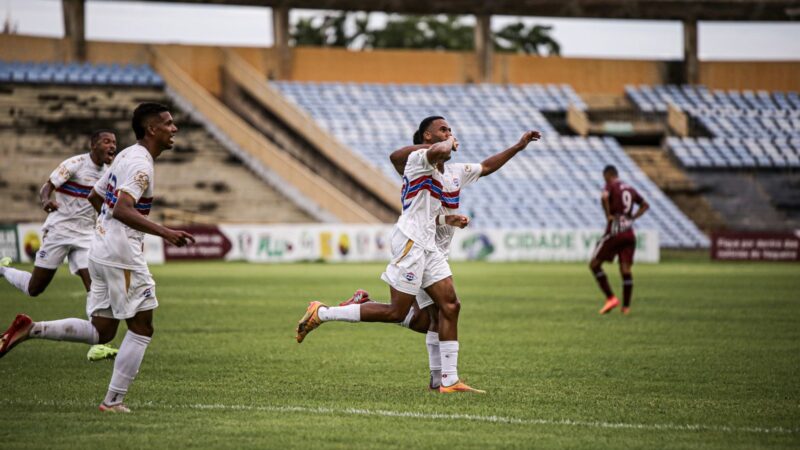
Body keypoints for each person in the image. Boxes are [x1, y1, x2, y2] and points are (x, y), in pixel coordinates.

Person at [0, 103, 195, 413]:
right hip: (121, 255)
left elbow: (95, 196)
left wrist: (106, 230)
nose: (175, 128)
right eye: (169, 123)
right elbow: (122, 208)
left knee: (102, 331)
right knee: (142, 327)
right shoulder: (140, 164)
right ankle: (113, 401)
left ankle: (30, 328)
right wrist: (166, 233)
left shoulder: (125, 156)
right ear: (151, 129)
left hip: (100, 250)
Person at [340, 127, 542, 390]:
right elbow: (400, 157)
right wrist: (446, 144)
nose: (450, 132)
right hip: (417, 245)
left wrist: (518, 146)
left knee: (440, 314)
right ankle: (338, 311)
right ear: (427, 137)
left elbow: (486, 166)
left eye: (450, 130)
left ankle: (442, 380)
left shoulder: (454, 172)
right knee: (422, 314)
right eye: (443, 129)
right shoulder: (419, 165)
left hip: (434, 250)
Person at [0, 129, 119, 361]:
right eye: (107, 141)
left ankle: (97, 342)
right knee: (35, 288)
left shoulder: (109, 173)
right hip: (59, 231)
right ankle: (3, 270)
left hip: (86, 236)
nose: (112, 146)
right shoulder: (75, 164)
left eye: (114, 142)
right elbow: (47, 186)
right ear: (93, 145)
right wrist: (46, 200)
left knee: (94, 285)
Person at [590, 165, 649, 315]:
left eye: (604, 177)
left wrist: (608, 215)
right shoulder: (630, 188)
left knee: (594, 264)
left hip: (615, 230)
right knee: (625, 269)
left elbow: (604, 197)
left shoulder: (611, 185)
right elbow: (645, 205)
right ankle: (626, 308)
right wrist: (633, 217)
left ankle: (611, 298)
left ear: (608, 175)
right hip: (629, 232)